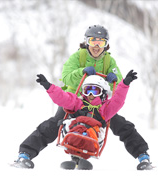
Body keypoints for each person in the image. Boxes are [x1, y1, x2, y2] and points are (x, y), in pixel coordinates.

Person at [14, 25, 152, 170]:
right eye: (93, 41)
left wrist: (118, 81)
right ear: (86, 42)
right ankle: (25, 154)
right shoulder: (77, 57)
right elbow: (66, 78)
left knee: (122, 125)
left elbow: (117, 90)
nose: (97, 46)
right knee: (55, 124)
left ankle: (143, 156)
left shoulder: (108, 61)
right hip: (75, 101)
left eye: (101, 42)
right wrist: (81, 72)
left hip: (100, 105)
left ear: (106, 45)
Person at [36, 70, 136, 169]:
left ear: (102, 93)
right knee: (71, 122)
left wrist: (124, 84)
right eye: (88, 90)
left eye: (95, 91)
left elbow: (117, 101)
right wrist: (49, 86)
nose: (91, 95)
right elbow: (63, 97)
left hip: (93, 137)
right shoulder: (77, 103)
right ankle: (74, 159)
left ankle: (81, 160)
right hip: (74, 133)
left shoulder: (105, 109)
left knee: (94, 131)